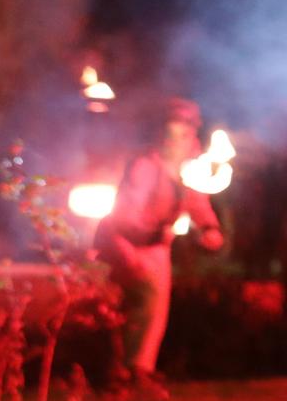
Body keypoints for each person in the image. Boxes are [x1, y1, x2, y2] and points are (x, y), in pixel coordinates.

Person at [96, 97, 225, 383]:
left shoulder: (189, 169)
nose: (177, 140)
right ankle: (126, 371)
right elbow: (126, 215)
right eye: (171, 133)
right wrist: (144, 239)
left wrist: (209, 228)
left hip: (156, 247)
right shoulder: (145, 166)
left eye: (184, 133)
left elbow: (197, 203)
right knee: (140, 302)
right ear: (161, 134)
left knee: (154, 310)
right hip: (125, 243)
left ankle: (137, 370)